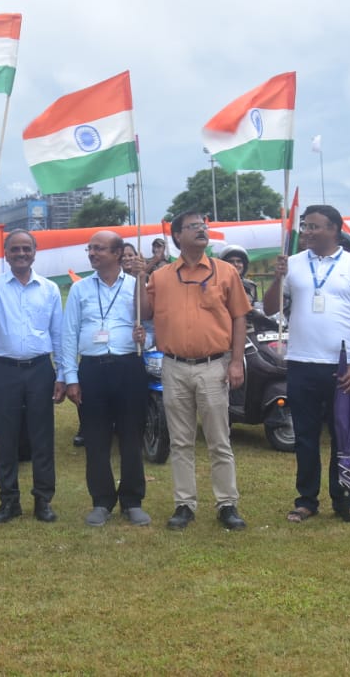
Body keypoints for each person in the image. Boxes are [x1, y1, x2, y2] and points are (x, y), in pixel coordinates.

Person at [263, 204, 350, 525]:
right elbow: (270, 307)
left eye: (314, 227)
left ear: (334, 229)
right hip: (302, 363)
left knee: (345, 435)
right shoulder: (293, 264)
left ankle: (346, 500)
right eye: (305, 226)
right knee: (305, 435)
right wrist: (277, 279)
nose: (307, 232)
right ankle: (306, 500)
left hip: (343, 367)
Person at [141, 213, 251, 531]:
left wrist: (235, 361)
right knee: (180, 441)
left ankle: (227, 503)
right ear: (177, 236)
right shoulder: (161, 277)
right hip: (173, 366)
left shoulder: (226, 272)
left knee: (219, 439)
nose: (202, 230)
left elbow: (240, 318)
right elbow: (145, 313)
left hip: (214, 365)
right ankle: (184, 504)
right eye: (193, 226)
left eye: (203, 225)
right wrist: (139, 275)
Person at [0, 230, 64, 524]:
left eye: (26, 249)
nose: (21, 254)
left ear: (34, 252)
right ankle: (9, 500)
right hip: (5, 369)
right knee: (6, 437)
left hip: (39, 369)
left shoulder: (49, 289)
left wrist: (62, 373)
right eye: (14, 250)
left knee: (42, 436)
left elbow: (57, 333)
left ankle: (43, 500)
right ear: (5, 254)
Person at [60, 230, 150, 527]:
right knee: (96, 438)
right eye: (90, 249)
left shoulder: (137, 286)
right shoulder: (80, 289)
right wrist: (71, 377)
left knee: (131, 436)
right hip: (93, 370)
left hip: (129, 366)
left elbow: (152, 327)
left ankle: (132, 500)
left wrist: (145, 338)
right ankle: (101, 501)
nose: (92, 253)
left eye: (99, 249)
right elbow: (69, 334)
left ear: (117, 253)